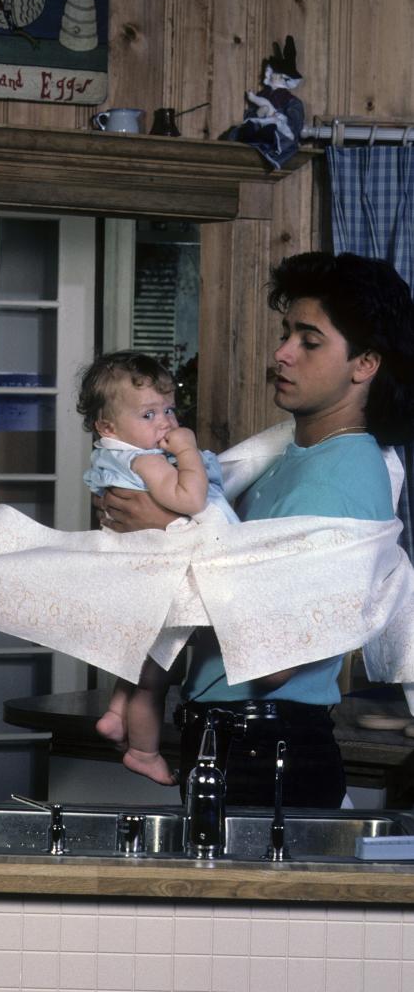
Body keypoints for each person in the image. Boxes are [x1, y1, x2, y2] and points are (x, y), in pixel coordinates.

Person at [95, 252, 414, 808]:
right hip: (235, 736)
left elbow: (275, 660)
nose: (282, 353)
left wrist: (169, 526)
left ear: (364, 364)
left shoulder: (342, 476)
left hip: (267, 745)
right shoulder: (293, 458)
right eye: (286, 332)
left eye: (309, 341)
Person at [76, 350, 237, 785]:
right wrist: (186, 453)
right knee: (155, 677)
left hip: (138, 576)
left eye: (168, 409)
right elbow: (190, 500)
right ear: (107, 427)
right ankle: (143, 752)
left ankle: (114, 713)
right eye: (149, 413)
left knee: (139, 656)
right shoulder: (146, 460)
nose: (165, 422)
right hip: (158, 580)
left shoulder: (109, 458)